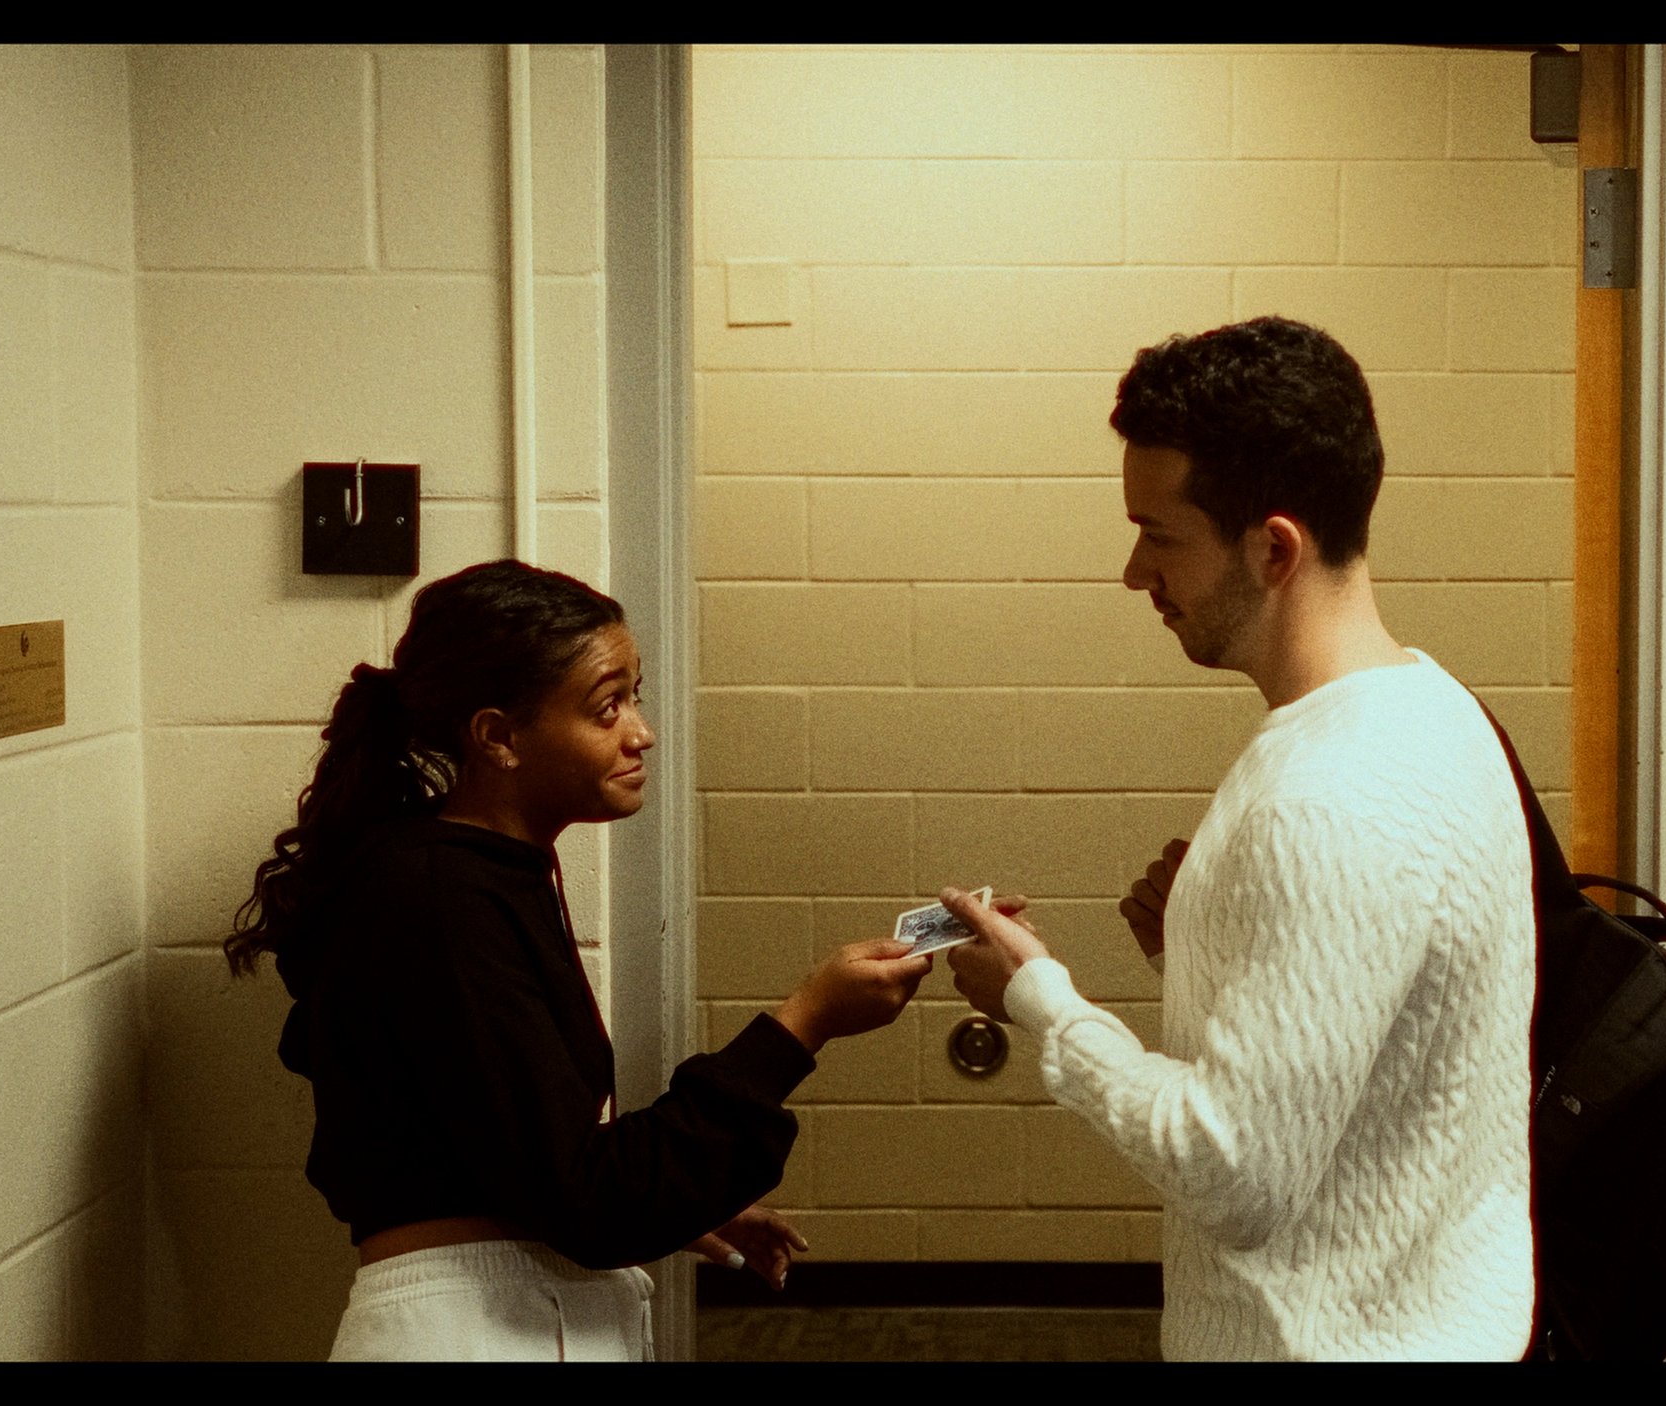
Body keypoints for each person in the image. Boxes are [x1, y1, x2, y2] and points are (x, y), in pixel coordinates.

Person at [941, 317, 1538, 1361]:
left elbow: (1235, 1172)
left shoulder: (1325, 798)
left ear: (1272, 548)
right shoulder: (1435, 709)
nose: (1135, 572)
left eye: (1160, 534)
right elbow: (1378, 1056)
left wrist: (1040, 1000)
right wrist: (1208, 953)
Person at [225, 559, 939, 1361]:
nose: (641, 731)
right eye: (606, 707)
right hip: (469, 1330)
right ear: (498, 737)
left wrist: (673, 1207)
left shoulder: (476, 877)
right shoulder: (441, 898)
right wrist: (805, 1022)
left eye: (635, 697)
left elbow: (512, 1160)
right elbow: (587, 1203)